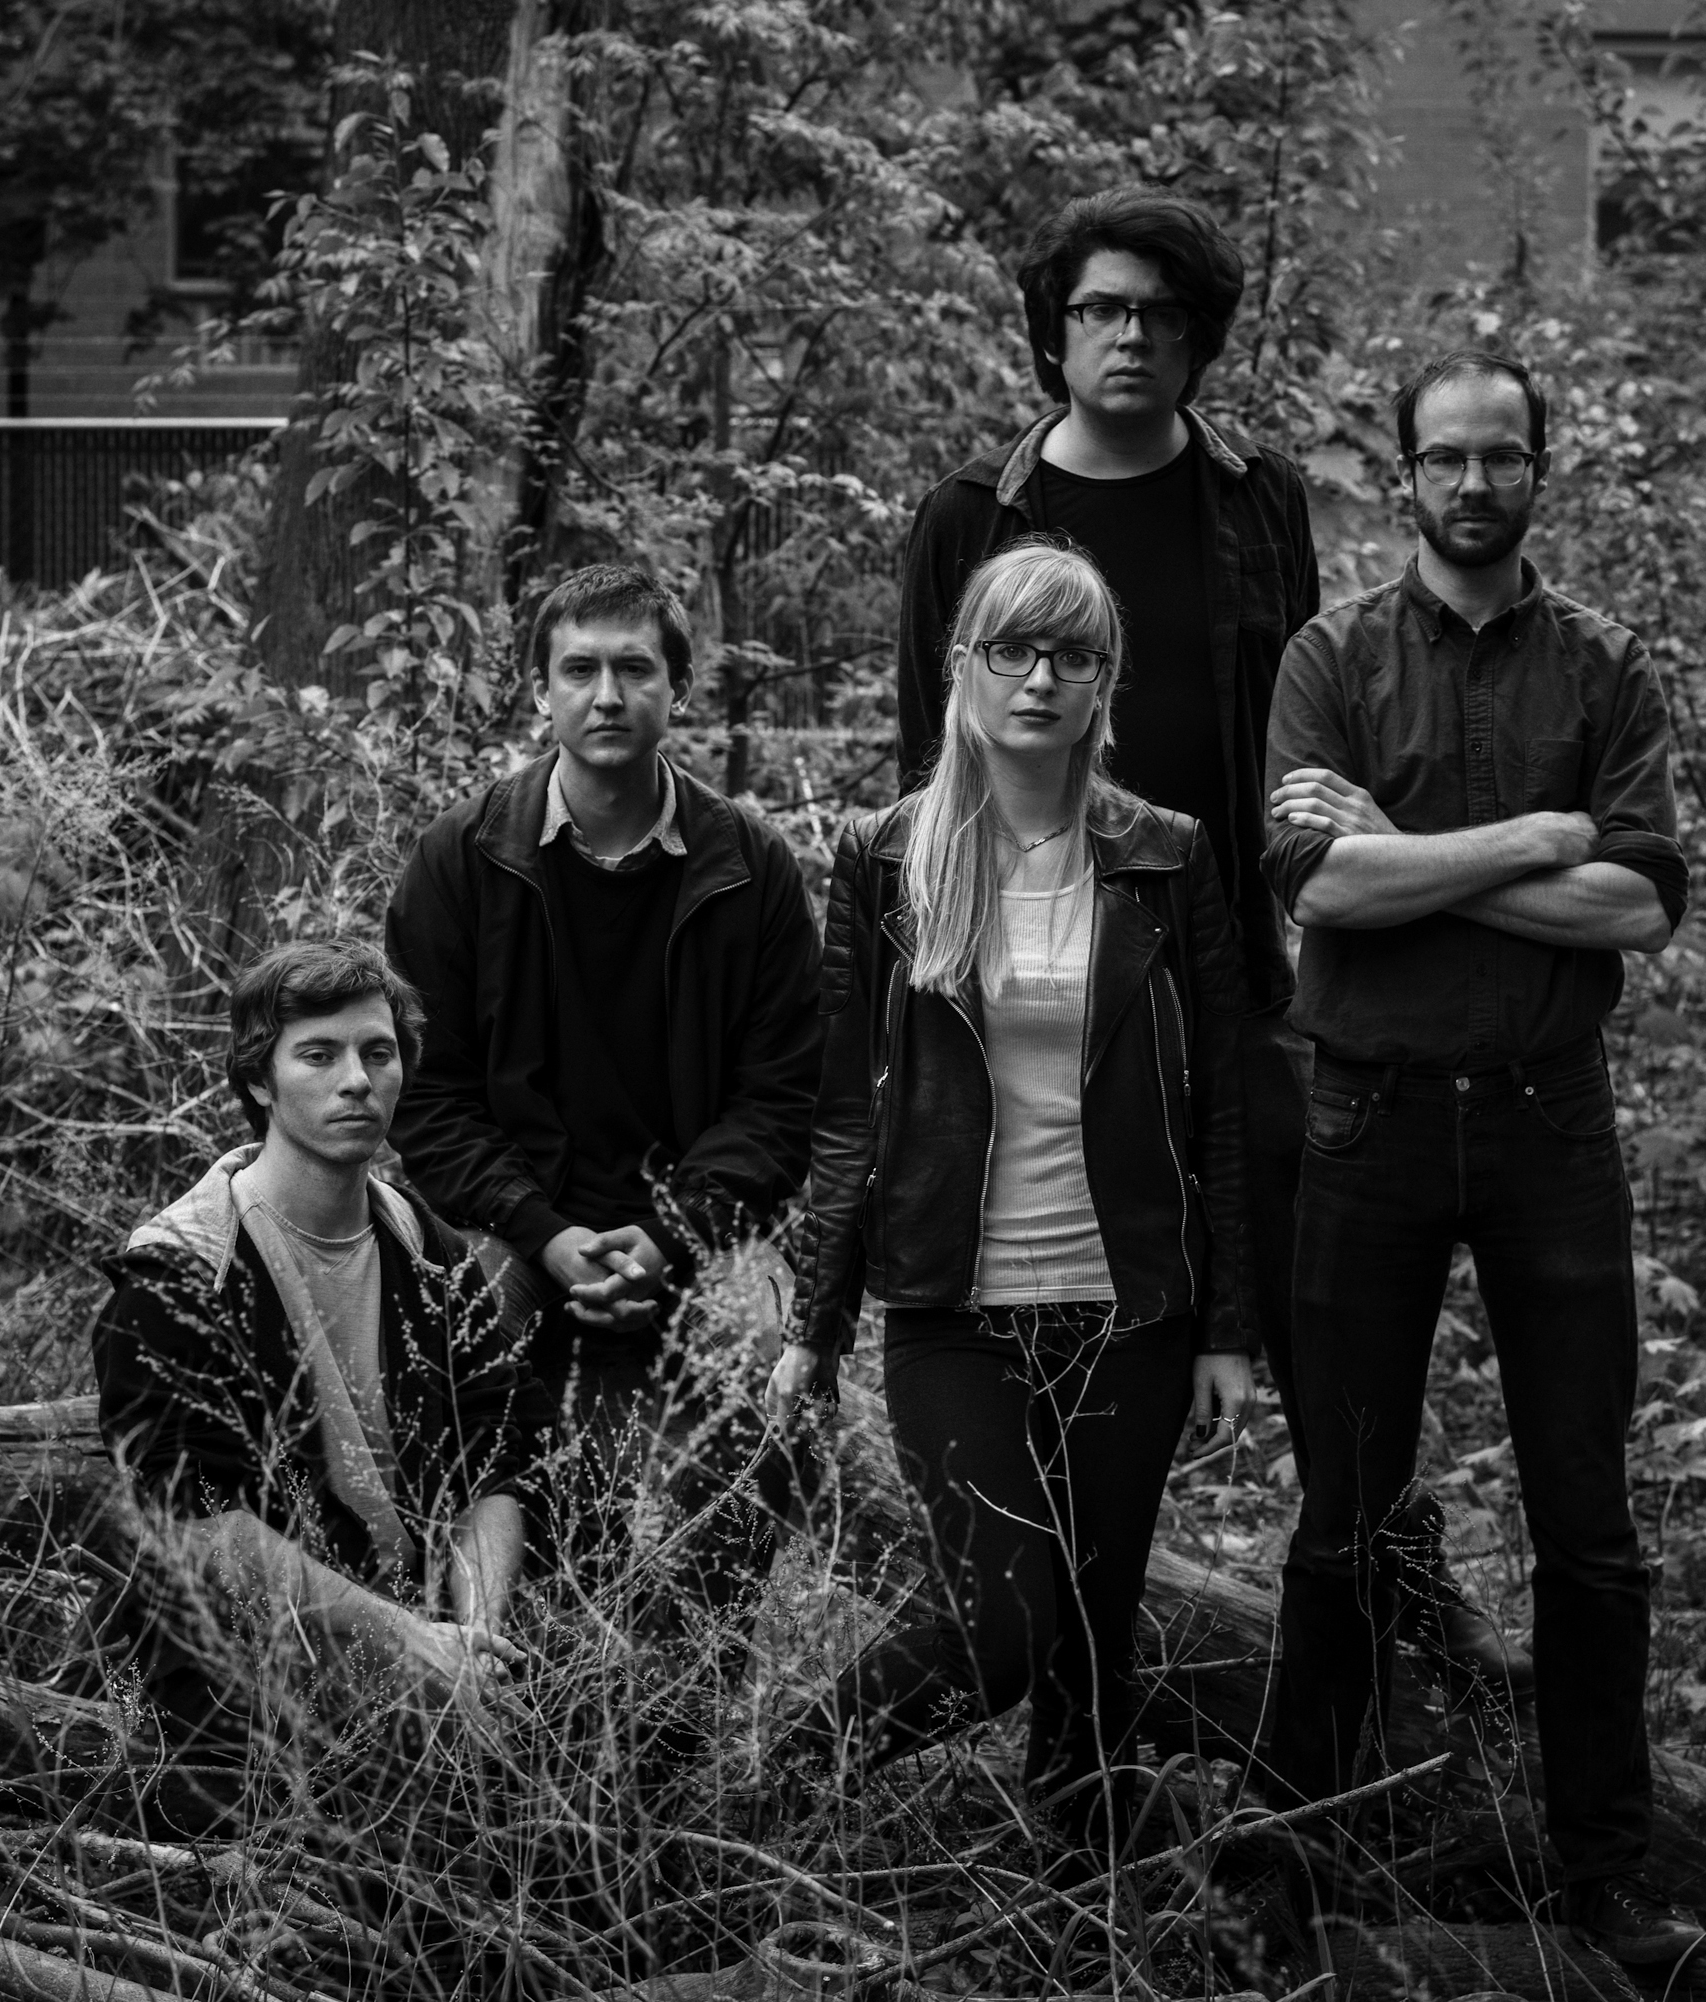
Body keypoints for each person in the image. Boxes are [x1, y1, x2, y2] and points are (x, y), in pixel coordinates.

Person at [893, 185, 1526, 1699]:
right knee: (1050, 1277)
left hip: (1227, 953)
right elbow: (929, 758)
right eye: (1103, 310)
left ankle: (1390, 1563)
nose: (1132, 336)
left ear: (1200, 338)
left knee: (1312, 1277)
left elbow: (1294, 724)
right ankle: (1041, 1628)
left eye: (1163, 314)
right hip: (1039, 964)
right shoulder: (971, 515)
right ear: (1054, 331)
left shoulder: (1253, 497)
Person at [1254, 349, 1702, 1964]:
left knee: (1587, 1521)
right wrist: (1531, 842)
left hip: (1546, 1123)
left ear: (1539, 471)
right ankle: (1292, 1866)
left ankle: (1607, 1879)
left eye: (1500, 455)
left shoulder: (1605, 667)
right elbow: (1318, 885)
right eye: (1444, 456)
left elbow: (1639, 905)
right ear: (1404, 475)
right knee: (1344, 1513)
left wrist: (1412, 853)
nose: (1471, 481)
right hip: (1366, 1121)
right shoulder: (1331, 656)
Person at [774, 538, 1257, 1858]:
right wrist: (814, 1320)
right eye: (1013, 649)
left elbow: (1225, 1105)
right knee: (1000, 1624)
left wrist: (1227, 1325)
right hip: (953, 1308)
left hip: (1129, 1309)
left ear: (1106, 678)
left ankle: (1077, 1894)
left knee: (1095, 1641)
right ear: (963, 666)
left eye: (1072, 654)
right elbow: (848, 1105)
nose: (1041, 678)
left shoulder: (1165, 856)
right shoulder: (886, 856)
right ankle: (773, 1786)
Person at [385, 562, 822, 1662]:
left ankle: (684, 1672)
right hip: (513, 1226)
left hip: (704, 1233)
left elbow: (782, 1100)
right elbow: (427, 1097)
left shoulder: (750, 867)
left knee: (769, 1362)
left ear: (679, 690)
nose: (608, 694)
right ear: (542, 691)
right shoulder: (462, 858)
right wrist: (546, 1233)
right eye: (579, 669)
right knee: (452, 1345)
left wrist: (671, 1235)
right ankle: (478, 1650)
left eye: (635, 668)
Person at [93, 940, 555, 1832]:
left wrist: (474, 1643)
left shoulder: (426, 1248)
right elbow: (200, 1524)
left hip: (429, 1640)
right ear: (259, 1082)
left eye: (378, 1053)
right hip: (249, 1678)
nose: (356, 1082)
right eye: (318, 1055)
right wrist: (408, 1639)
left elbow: (499, 1451)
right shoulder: (176, 1275)